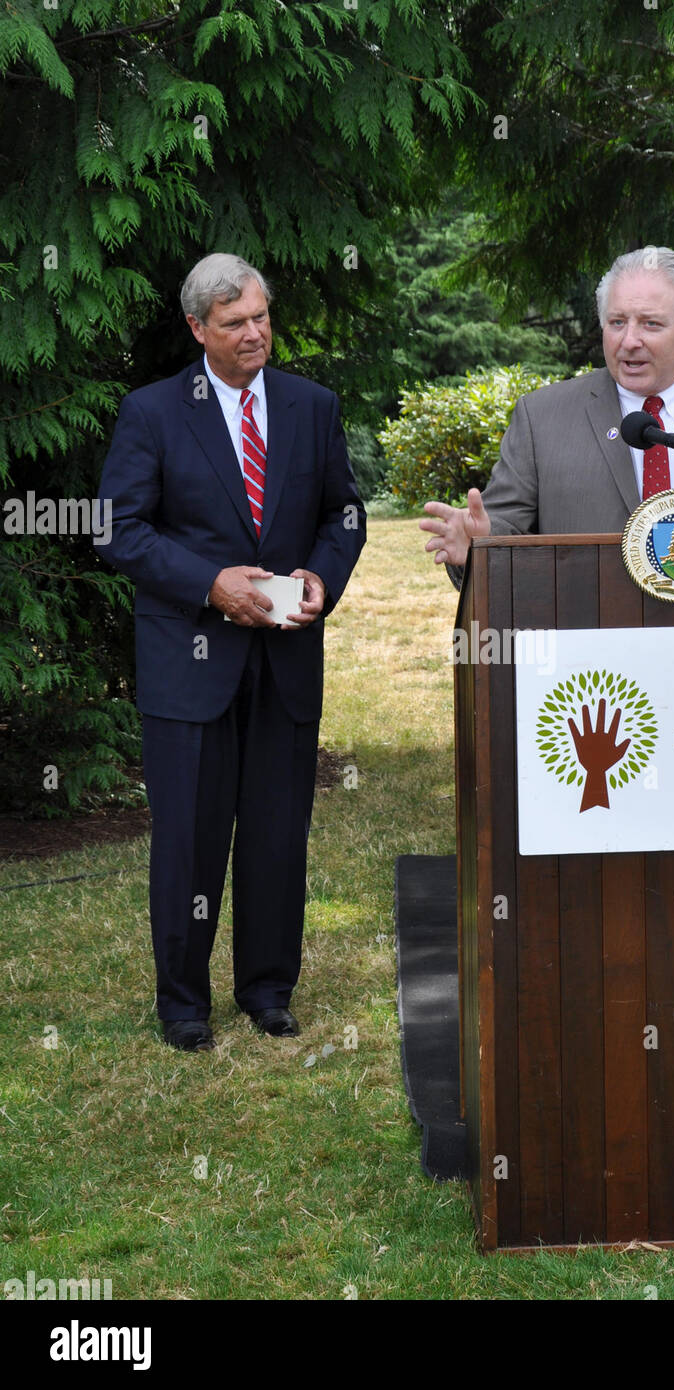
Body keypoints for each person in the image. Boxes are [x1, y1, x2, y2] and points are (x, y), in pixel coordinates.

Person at [97, 253, 365, 1051]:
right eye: (234, 324)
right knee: (189, 838)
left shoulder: (312, 406)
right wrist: (211, 583)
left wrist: (322, 576)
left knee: (279, 835)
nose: (254, 334)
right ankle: (184, 1003)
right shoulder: (151, 413)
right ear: (197, 330)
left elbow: (344, 513)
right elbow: (117, 527)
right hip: (191, 665)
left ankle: (268, 988)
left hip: (285, 662)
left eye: (261, 317)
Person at [421, 246, 674, 571]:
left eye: (650, 324)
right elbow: (503, 530)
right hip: (594, 658)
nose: (629, 340)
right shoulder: (541, 419)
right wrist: (478, 544)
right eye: (617, 323)